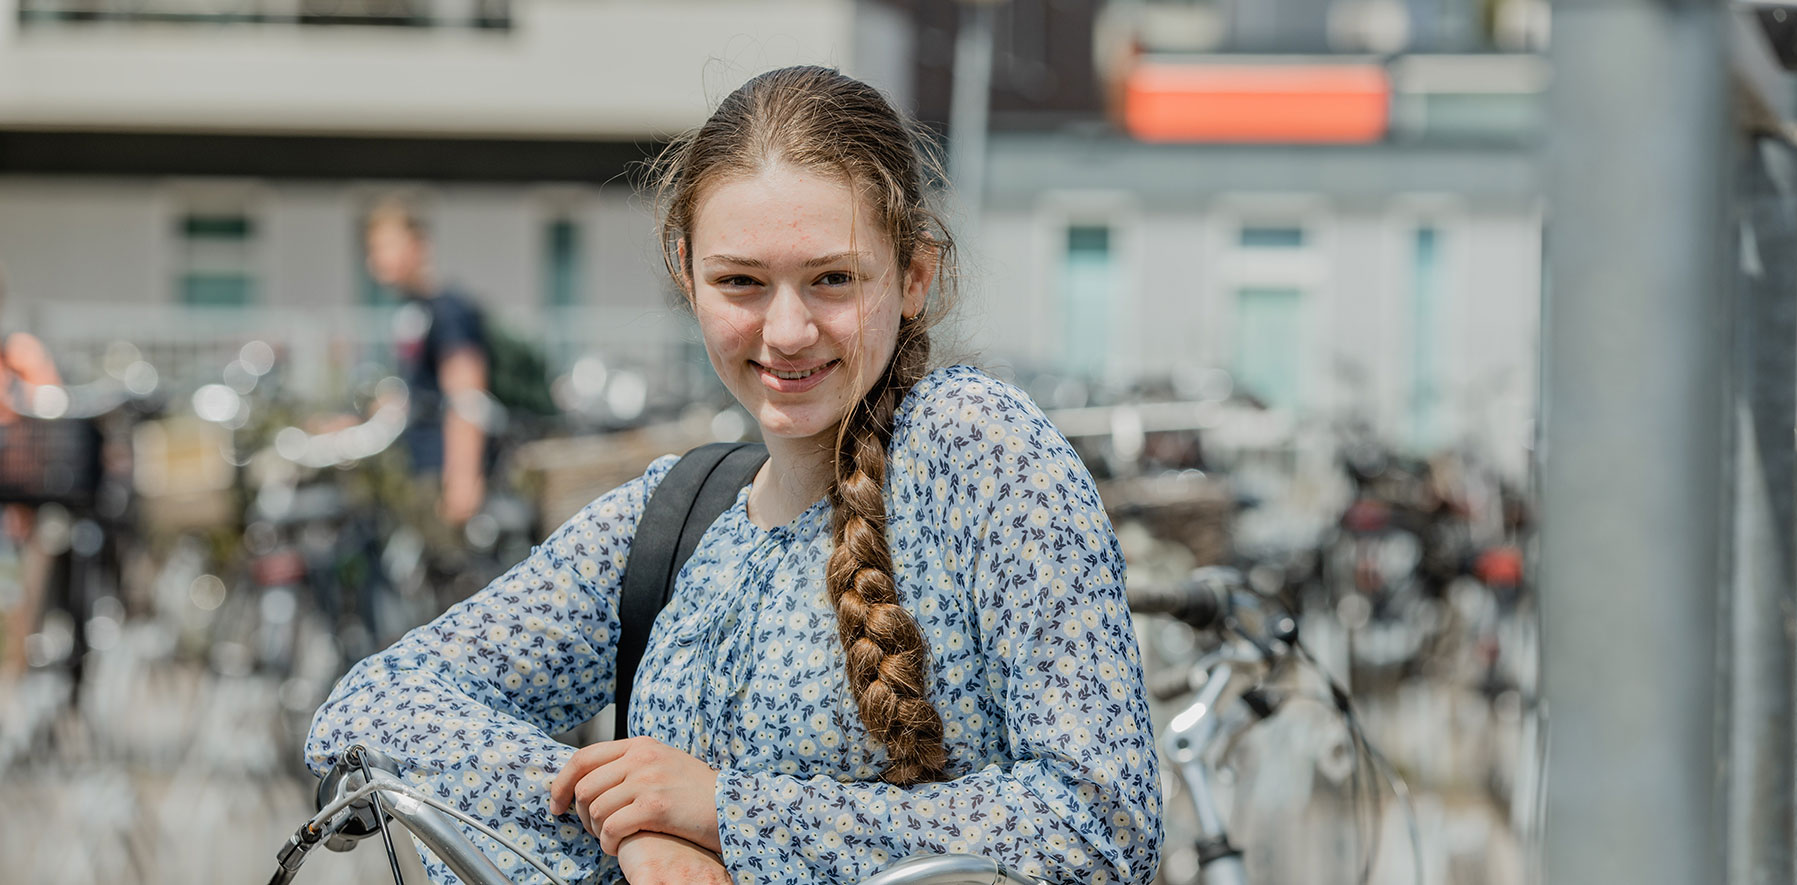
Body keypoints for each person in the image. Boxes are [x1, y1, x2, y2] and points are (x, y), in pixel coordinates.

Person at [307, 65, 1163, 885]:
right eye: (741, 282)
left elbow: (1100, 821)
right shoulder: (675, 513)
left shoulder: (978, 447)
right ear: (687, 276)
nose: (787, 330)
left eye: (832, 279)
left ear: (914, 275)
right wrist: (632, 822)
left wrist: (728, 812)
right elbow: (368, 708)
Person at [363, 200, 492, 528]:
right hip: (416, 464)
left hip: (441, 470)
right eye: (372, 248)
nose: (376, 258)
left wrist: (463, 476)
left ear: (418, 245)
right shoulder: (411, 310)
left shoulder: (448, 309)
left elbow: (467, 396)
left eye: (386, 245)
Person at [0, 278, 63, 683]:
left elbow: (51, 407)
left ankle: (13, 673)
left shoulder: (19, 353)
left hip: (17, 499)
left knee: (15, 593)